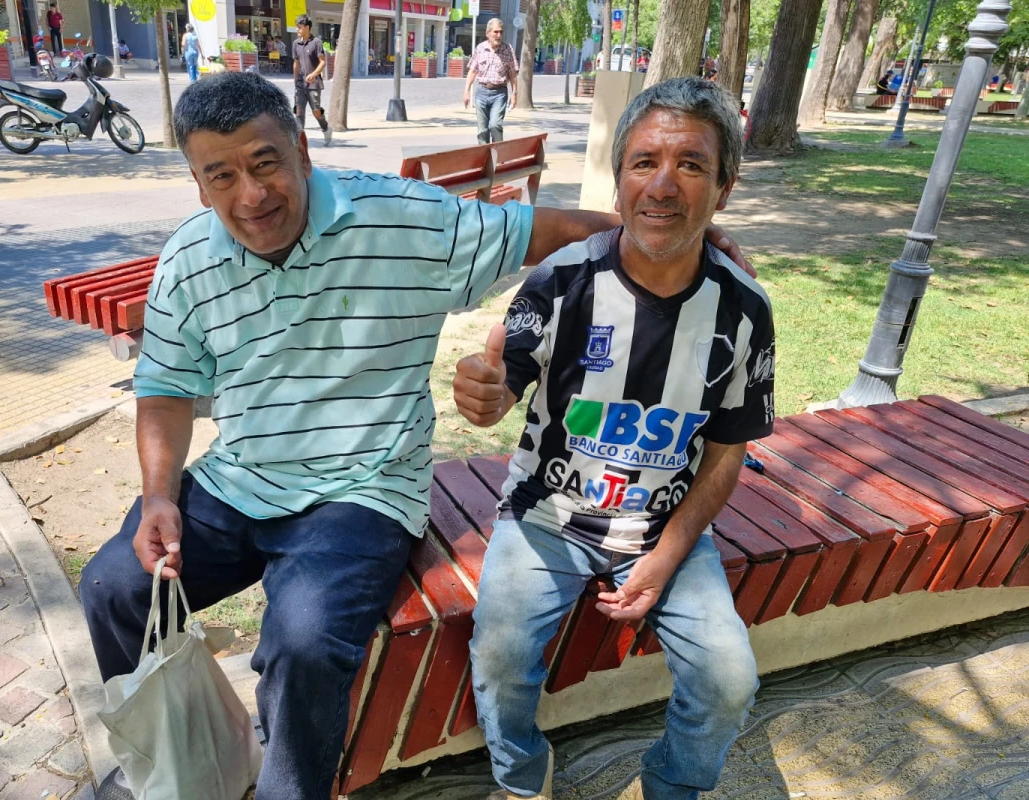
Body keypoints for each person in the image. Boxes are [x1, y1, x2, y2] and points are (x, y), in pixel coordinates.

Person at [76, 70, 749, 800]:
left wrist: (676, 232)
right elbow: (166, 392)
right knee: (113, 586)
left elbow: (541, 231)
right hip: (239, 477)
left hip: (362, 490)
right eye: (222, 175)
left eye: (265, 162)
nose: (251, 194)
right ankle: (163, 758)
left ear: (301, 150)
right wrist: (157, 496)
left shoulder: (405, 218)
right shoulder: (189, 261)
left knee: (303, 643)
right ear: (198, 183)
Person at [454, 77, 773, 800]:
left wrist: (664, 558)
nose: (663, 184)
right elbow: (504, 382)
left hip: (666, 528)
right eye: (644, 162)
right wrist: (486, 394)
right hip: (546, 517)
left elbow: (727, 452)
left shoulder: (744, 309)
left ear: (723, 187)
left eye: (690, 164)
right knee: (500, 657)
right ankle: (523, 775)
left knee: (729, 680)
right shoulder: (563, 279)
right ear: (620, 176)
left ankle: (672, 786)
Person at [464, 18, 517, 144]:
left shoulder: (508, 50)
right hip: (481, 92)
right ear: (488, 33)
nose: (499, 35)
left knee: (495, 125)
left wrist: (514, 93)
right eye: (496, 32)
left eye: (501, 32)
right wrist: (466, 91)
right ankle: (485, 160)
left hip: (499, 93)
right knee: (482, 131)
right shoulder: (480, 48)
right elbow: (472, 71)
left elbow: (512, 74)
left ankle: (498, 156)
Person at [292, 14, 331, 145]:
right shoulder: (296, 44)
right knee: (299, 111)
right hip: (300, 84)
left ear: (307, 27)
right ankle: (298, 141)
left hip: (314, 84)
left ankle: (325, 128)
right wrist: (295, 80)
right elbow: (296, 63)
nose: (297, 30)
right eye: (296, 27)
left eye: (299, 27)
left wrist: (314, 74)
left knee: (316, 111)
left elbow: (323, 62)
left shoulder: (316, 43)